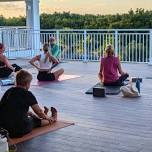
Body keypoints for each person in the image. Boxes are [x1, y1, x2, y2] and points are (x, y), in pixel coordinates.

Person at [0, 70, 58, 138]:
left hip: (3, 127)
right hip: (18, 130)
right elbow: (38, 111)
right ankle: (53, 119)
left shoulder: (9, 91)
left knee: (29, 114)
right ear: (27, 83)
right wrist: (47, 117)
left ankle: (43, 115)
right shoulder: (27, 94)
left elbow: (5, 107)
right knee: (35, 121)